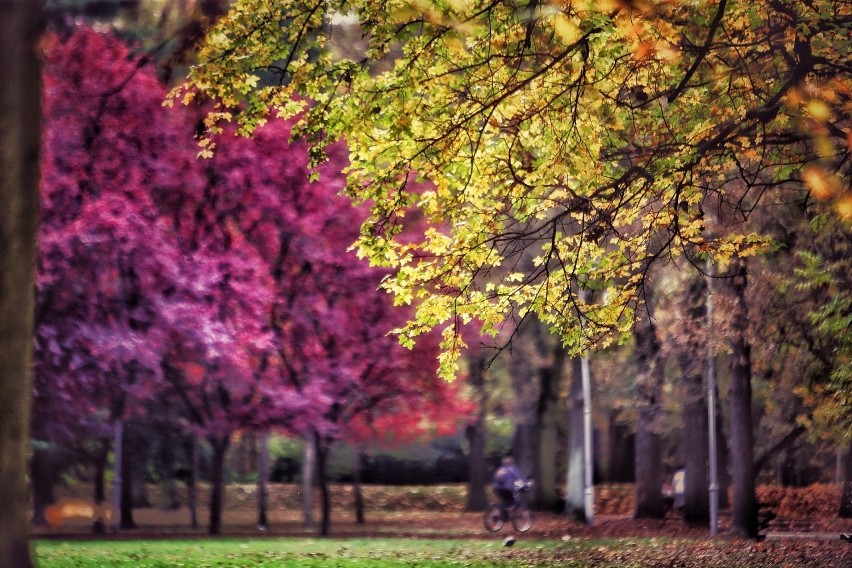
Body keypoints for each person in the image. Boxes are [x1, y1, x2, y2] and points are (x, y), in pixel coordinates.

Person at [492, 455, 525, 520]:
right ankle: (508, 515)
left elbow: (495, 479)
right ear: (511, 463)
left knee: (503, 501)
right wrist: (524, 484)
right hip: (506, 489)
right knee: (512, 501)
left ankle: (499, 514)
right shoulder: (511, 469)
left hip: (496, 488)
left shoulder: (499, 469)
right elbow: (519, 478)